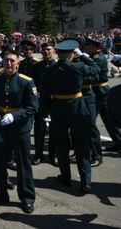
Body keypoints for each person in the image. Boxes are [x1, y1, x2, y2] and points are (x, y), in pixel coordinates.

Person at [40, 39, 99, 195]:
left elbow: (44, 94)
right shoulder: (78, 67)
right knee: (82, 145)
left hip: (58, 108)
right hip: (77, 108)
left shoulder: (49, 70)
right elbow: (96, 68)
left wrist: (44, 113)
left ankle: (65, 177)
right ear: (73, 54)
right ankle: (85, 181)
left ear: (58, 54)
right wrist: (84, 56)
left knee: (62, 145)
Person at [0, 49, 38, 214]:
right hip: (1, 125)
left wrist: (15, 116)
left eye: (12, 61)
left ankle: (27, 198)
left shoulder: (26, 82)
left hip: (20, 127)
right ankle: (1, 194)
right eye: (6, 60)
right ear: (2, 62)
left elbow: (33, 107)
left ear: (18, 63)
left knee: (23, 164)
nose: (9, 64)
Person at [31, 42, 57, 166]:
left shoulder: (59, 66)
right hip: (40, 101)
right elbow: (31, 84)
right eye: (44, 50)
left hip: (56, 101)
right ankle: (38, 155)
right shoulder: (36, 67)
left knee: (55, 129)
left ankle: (53, 155)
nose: (46, 52)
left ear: (54, 51)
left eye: (48, 49)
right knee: (39, 129)